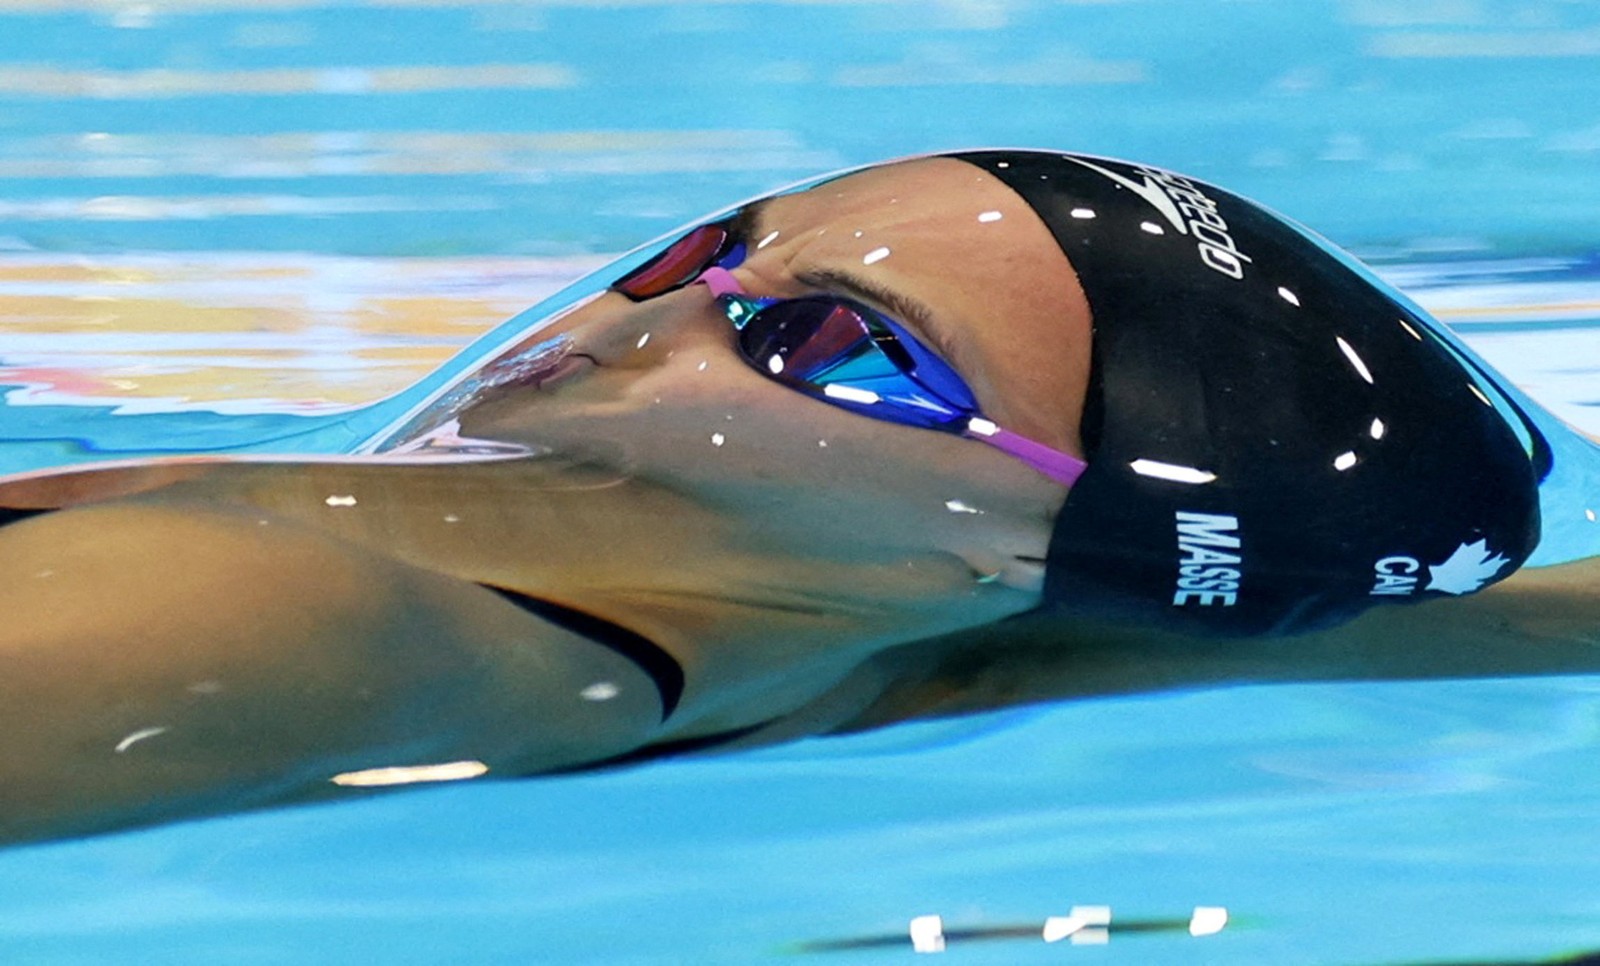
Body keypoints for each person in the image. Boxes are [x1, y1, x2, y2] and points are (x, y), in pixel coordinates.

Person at [0, 150, 1596, 847]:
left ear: (1005, 530)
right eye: (709, 251)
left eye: (828, 340)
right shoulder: (879, 646)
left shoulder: (268, 610)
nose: (643, 317)